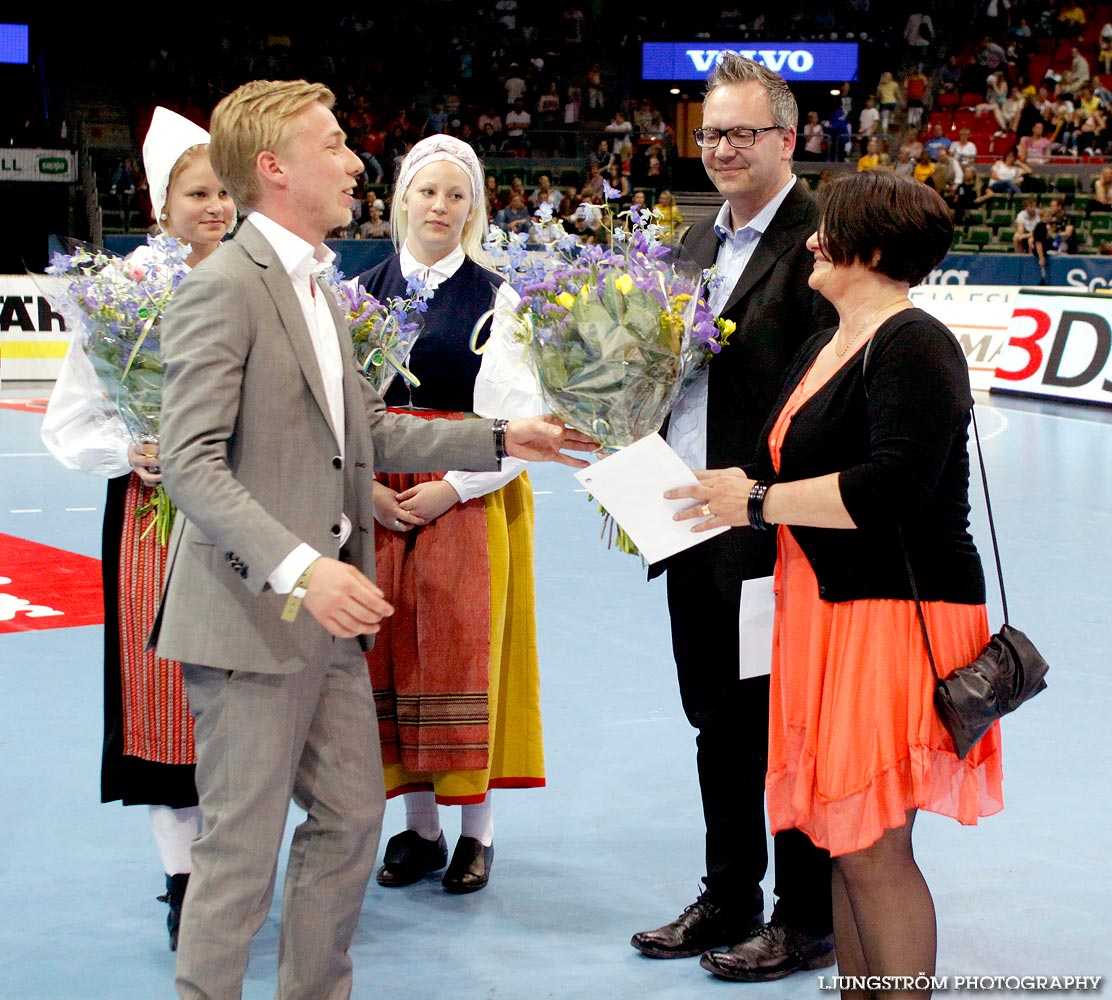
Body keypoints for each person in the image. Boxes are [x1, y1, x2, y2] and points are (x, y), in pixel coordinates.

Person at [149, 79, 594, 1000]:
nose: (358, 162)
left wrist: (507, 438)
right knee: (237, 852)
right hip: (256, 620)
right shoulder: (223, 288)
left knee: (353, 820)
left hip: (329, 625)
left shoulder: (318, 284)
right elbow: (190, 464)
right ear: (275, 168)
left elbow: (369, 434)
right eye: (336, 144)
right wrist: (304, 568)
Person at [668, 168, 1003, 994]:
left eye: (831, 231)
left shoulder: (916, 342)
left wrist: (753, 502)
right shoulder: (829, 342)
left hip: (893, 615)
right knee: (848, 837)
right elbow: (777, 462)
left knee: (874, 843)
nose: (814, 241)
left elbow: (892, 488)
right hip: (828, 611)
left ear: (874, 249)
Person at [630, 53, 836, 984]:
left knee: (787, 722)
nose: (720, 148)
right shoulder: (688, 244)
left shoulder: (823, 241)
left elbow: (830, 396)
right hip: (685, 520)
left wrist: (763, 495)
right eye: (710, 132)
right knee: (716, 716)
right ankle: (730, 892)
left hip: (774, 527)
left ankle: (806, 915)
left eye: (742, 133)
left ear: (788, 140)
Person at [41, 106, 236, 953]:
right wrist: (131, 448)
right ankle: (184, 880)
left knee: (243, 703)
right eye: (197, 192)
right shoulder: (123, 300)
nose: (216, 207)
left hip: (247, 516)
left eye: (226, 190)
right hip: (155, 521)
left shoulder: (268, 281)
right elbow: (69, 421)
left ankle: (234, 865)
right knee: (161, 704)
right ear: (161, 203)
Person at [354, 133, 544, 896]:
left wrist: (451, 487)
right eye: (428, 191)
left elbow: (523, 417)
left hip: (469, 493)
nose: (441, 206)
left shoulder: (500, 297)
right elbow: (336, 408)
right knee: (393, 658)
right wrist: (363, 486)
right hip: (378, 496)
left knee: (466, 659)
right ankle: (421, 831)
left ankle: (477, 833)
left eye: (456, 195)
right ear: (402, 197)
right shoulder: (357, 290)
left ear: (474, 208)